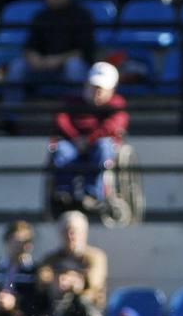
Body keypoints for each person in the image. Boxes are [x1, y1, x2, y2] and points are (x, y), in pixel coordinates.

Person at [2, 0, 93, 134]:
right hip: (42, 69)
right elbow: (29, 47)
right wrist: (34, 58)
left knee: (74, 67)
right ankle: (9, 122)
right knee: (18, 67)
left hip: (66, 68)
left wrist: (57, 60)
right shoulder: (40, 16)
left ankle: (78, 120)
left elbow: (84, 51)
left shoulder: (81, 15)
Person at [50, 62, 127, 213]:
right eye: (93, 86)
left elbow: (112, 126)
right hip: (74, 143)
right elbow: (61, 119)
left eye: (101, 88)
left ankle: (92, 193)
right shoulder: (72, 102)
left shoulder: (117, 105)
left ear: (112, 89)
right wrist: (76, 138)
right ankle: (64, 193)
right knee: (62, 150)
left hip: (97, 146)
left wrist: (89, 140)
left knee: (104, 146)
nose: (96, 92)